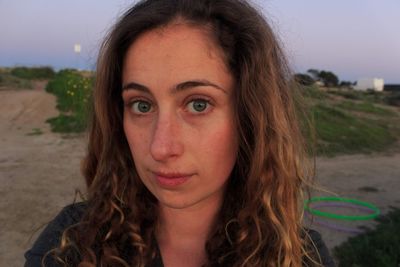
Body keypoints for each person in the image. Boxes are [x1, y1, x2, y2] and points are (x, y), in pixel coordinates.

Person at [25, 0, 335, 266]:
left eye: (198, 104)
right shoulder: (73, 242)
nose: (161, 148)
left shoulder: (300, 257)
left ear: (251, 115)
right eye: (141, 106)